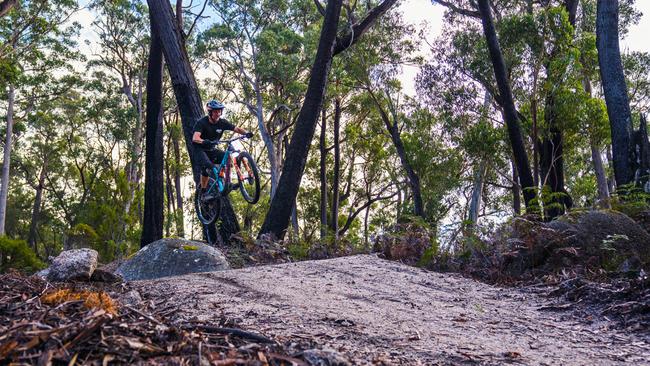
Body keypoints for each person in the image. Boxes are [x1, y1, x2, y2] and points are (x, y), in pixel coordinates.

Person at [192, 100, 253, 200]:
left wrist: (246, 133)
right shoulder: (202, 123)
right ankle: (203, 193)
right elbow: (195, 138)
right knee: (208, 166)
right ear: (210, 112)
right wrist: (204, 141)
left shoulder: (222, 122)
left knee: (227, 157)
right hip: (200, 150)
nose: (218, 113)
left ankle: (226, 183)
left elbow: (236, 129)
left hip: (211, 149)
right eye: (215, 111)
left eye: (219, 111)